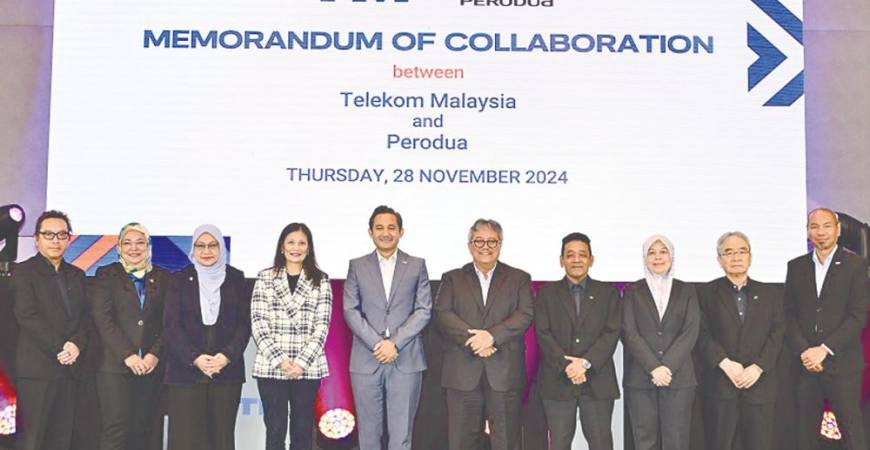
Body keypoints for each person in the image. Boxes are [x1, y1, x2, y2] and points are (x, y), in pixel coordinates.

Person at [434, 218, 533, 450]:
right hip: (462, 372)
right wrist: (475, 340)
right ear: (470, 245)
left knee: (506, 441)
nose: (485, 246)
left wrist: (491, 337)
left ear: (500, 244)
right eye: (479, 241)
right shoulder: (452, 278)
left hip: (504, 372)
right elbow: (443, 314)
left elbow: (525, 314)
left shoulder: (519, 278)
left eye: (492, 241)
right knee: (461, 441)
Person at [343, 206, 432, 450]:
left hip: (406, 358)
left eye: (391, 228)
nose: (386, 233)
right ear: (370, 232)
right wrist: (377, 343)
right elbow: (351, 310)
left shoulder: (416, 265)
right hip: (366, 358)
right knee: (368, 436)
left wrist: (394, 343)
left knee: (401, 435)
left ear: (401, 232)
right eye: (379, 228)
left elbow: (424, 309)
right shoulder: (357, 265)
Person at [785, 208, 868, 450]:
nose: (820, 232)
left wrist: (824, 349)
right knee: (805, 433)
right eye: (814, 226)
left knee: (851, 432)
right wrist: (805, 351)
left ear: (838, 229)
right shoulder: (796, 266)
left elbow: (858, 315)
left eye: (827, 226)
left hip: (843, 364)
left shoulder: (856, 265)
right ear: (808, 231)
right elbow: (789, 315)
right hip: (805, 365)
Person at [163, 224, 251, 450]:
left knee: (220, 439)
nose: (207, 251)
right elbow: (172, 326)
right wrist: (195, 358)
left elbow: (244, 324)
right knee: (185, 440)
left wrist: (225, 356)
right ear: (193, 249)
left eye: (212, 245)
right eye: (200, 246)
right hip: (185, 372)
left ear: (221, 248)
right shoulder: (178, 279)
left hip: (226, 372)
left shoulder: (236, 278)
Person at [697, 231, 784, 450]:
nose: (736, 257)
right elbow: (700, 333)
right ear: (719, 260)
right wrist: (724, 363)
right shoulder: (705, 293)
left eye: (741, 251)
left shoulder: (771, 293)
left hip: (760, 385)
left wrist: (758, 367)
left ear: (750, 257)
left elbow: (778, 332)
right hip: (721, 385)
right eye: (728, 252)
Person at [534, 232, 621, 450]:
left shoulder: (608, 293)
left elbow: (612, 333)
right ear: (561, 260)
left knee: (601, 443)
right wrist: (568, 366)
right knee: (559, 444)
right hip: (557, 382)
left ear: (591, 259)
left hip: (597, 381)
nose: (576, 259)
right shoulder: (546, 294)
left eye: (582, 255)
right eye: (570, 255)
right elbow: (543, 333)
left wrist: (584, 363)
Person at [12, 210, 90, 450]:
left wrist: (76, 344)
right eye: (49, 234)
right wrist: (61, 347)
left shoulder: (77, 275)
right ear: (37, 239)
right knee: (32, 441)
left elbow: (86, 318)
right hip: (36, 372)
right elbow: (27, 316)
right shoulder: (23, 272)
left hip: (70, 372)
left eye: (61, 234)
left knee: (61, 440)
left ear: (69, 239)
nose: (55, 240)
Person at [251, 223, 332, 450]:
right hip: (272, 366)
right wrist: (281, 361)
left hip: (308, 368)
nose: (296, 248)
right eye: (291, 242)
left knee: (303, 431)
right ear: (282, 247)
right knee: (275, 430)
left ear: (308, 248)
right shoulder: (265, 278)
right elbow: (258, 323)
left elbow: (321, 326)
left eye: (302, 243)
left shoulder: (320, 279)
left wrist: (301, 363)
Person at [91, 223, 170, 450]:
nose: (134, 248)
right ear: (118, 247)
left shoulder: (164, 277)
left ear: (149, 246)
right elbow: (102, 319)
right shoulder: (106, 274)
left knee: (145, 430)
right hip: (114, 367)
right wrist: (128, 356)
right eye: (127, 242)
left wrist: (154, 354)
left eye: (140, 242)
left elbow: (169, 322)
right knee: (115, 430)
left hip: (151, 368)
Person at [622, 234, 699, 450]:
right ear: (644, 258)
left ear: (672, 256)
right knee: (644, 440)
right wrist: (654, 367)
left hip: (679, 378)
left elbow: (691, 331)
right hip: (641, 378)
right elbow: (629, 332)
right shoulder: (631, 291)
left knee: (677, 440)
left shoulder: (687, 290)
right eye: (651, 252)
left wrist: (667, 367)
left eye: (663, 251)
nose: (657, 257)